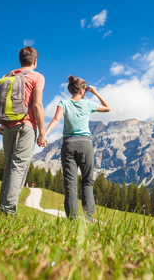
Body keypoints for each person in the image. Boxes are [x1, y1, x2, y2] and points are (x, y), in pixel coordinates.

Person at [0, 46, 47, 215]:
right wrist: (42, 132)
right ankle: (8, 212)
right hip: (25, 126)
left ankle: (2, 210)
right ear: (35, 61)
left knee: (8, 169)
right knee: (19, 168)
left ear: (20, 60)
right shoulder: (37, 76)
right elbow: (37, 105)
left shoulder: (6, 77)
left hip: (7, 128)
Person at [44, 75, 110, 220]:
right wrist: (96, 93)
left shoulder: (64, 103)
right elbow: (107, 108)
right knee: (87, 181)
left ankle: (73, 219)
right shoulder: (88, 104)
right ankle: (89, 218)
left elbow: (56, 119)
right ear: (82, 90)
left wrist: (44, 134)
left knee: (70, 184)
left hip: (68, 144)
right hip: (85, 144)